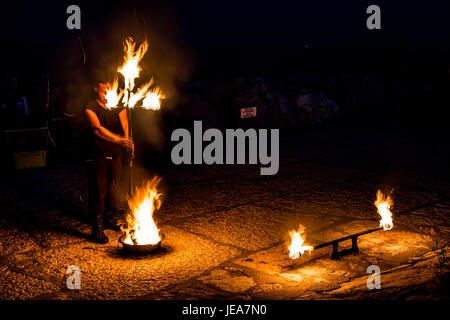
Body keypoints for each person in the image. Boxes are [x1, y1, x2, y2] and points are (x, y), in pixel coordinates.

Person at [85, 82, 134, 244]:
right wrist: (118, 139)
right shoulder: (91, 107)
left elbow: (125, 121)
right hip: (97, 151)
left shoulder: (117, 104)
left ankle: (109, 218)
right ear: (96, 90)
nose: (107, 94)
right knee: (99, 187)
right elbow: (96, 129)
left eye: (109, 90)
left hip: (115, 151)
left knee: (114, 185)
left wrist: (128, 140)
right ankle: (97, 225)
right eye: (103, 91)